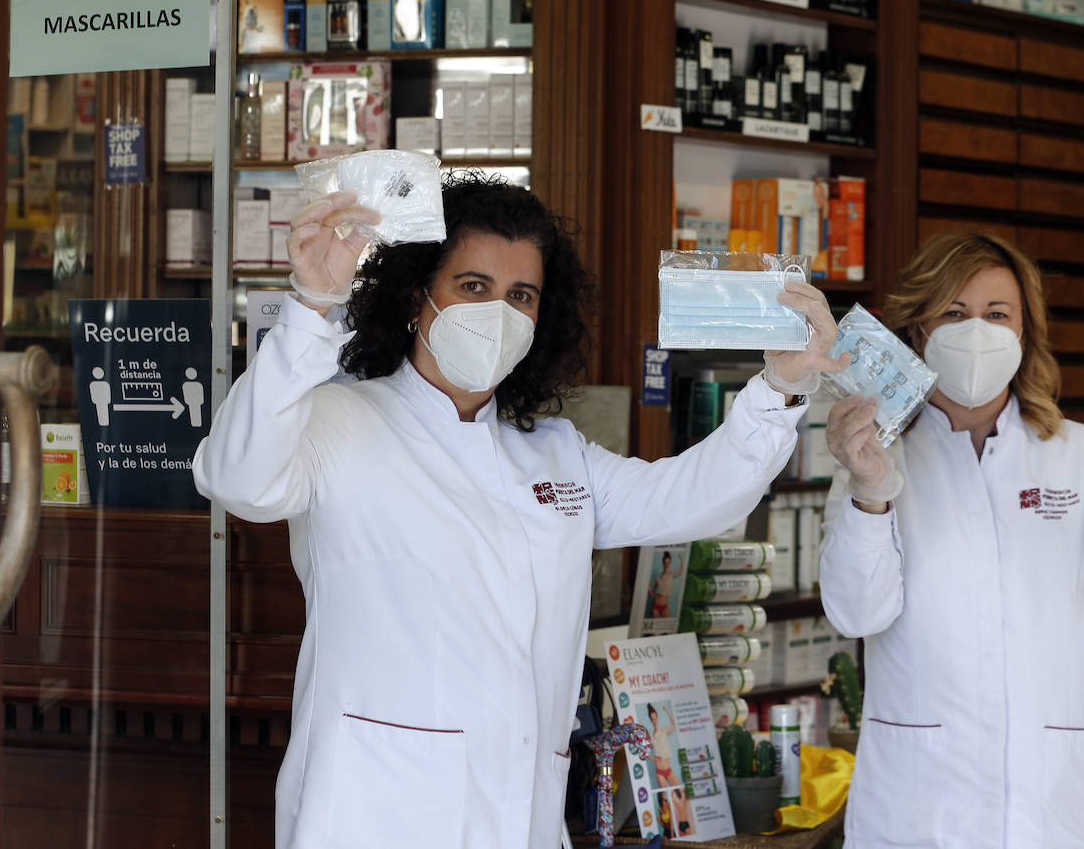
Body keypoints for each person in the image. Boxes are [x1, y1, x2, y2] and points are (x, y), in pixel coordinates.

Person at [192, 172, 848, 849]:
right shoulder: (337, 423)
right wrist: (311, 306)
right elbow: (235, 478)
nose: (498, 313)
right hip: (372, 814)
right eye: (473, 286)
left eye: (521, 295)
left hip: (521, 818)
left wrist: (780, 388)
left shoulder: (554, 455)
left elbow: (693, 499)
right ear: (418, 298)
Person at [818, 232, 1084, 848]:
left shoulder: (1080, 454)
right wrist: (870, 493)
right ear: (919, 332)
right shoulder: (874, 459)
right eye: (954, 313)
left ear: (1024, 335)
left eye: (997, 314)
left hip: (1060, 803)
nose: (976, 331)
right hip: (924, 805)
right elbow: (856, 612)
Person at [646, 702, 680, 788]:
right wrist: (653, 759)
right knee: (664, 794)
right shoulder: (650, 736)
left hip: (668, 768)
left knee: (680, 790)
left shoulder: (664, 730)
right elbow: (644, 750)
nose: (654, 721)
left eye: (655, 718)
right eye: (652, 719)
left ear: (657, 718)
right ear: (650, 720)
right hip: (659, 770)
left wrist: (667, 710)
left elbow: (674, 725)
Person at [647, 550, 679, 618]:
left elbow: (682, 570)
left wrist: (681, 558)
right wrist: (653, 594)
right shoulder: (658, 577)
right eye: (665, 563)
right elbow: (649, 587)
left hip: (664, 606)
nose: (666, 565)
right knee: (655, 623)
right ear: (663, 563)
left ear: (670, 563)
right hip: (656, 606)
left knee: (668, 622)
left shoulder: (671, 574)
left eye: (668, 563)